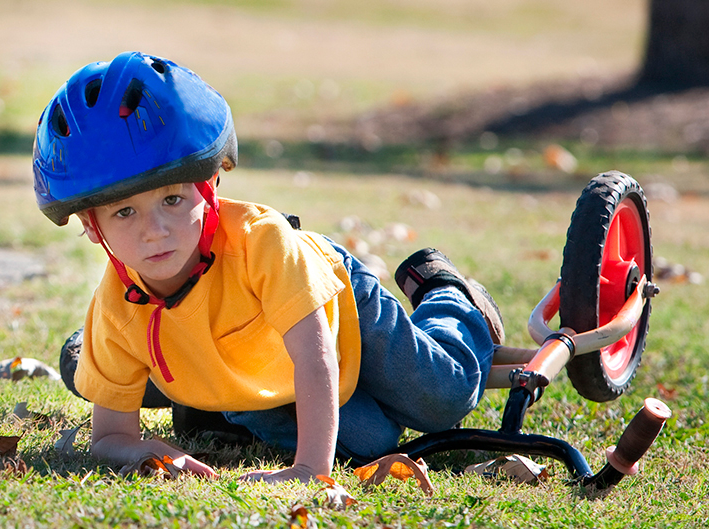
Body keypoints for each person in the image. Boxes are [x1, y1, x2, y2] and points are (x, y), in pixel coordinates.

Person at [33, 52, 504, 483]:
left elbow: (315, 356)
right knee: (369, 442)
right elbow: (108, 438)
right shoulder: (117, 308)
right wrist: (150, 451)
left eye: (172, 199)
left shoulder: (264, 246)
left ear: (209, 186)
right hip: (246, 374)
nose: (154, 231)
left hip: (337, 306)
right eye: (124, 213)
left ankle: (445, 292)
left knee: (444, 398)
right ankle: (206, 406)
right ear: (93, 229)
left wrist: (310, 470)